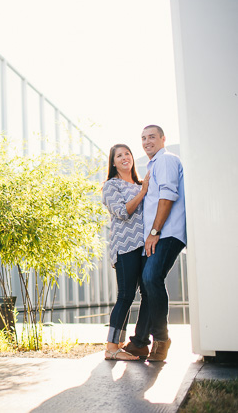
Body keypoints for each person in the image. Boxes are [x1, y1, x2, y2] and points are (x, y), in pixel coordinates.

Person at [124, 125, 186, 362]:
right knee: (147, 286)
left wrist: (154, 231)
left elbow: (168, 196)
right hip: (155, 234)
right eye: (143, 138)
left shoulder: (167, 160)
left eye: (152, 137)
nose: (147, 141)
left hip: (167, 233)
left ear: (163, 139)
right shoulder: (152, 165)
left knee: (151, 279)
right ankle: (140, 343)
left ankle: (161, 339)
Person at [102, 144, 150, 360]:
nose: (124, 158)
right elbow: (122, 212)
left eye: (127, 154)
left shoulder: (141, 183)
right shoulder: (111, 186)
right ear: (113, 162)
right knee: (125, 295)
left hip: (144, 247)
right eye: (119, 155)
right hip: (125, 246)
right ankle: (111, 348)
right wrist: (142, 193)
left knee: (143, 295)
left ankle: (121, 343)